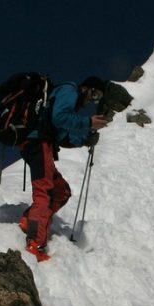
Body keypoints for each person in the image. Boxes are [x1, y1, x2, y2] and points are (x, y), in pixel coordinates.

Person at [18, 76, 108, 261]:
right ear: (86, 88)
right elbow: (59, 117)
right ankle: (35, 242)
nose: (93, 99)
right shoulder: (70, 90)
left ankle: (32, 221)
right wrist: (88, 123)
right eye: (95, 94)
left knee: (61, 192)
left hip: (43, 144)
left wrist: (84, 140)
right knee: (45, 191)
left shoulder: (70, 100)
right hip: (38, 142)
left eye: (98, 98)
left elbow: (62, 136)